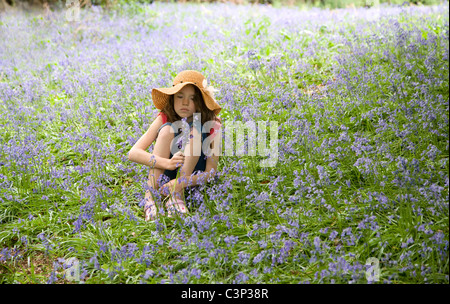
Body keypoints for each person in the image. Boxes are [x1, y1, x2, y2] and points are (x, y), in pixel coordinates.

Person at [128, 70, 222, 221]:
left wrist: (181, 182)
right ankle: (150, 197)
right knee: (166, 130)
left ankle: (177, 197)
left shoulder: (213, 123)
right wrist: (168, 163)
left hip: (192, 178)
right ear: (172, 98)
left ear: (201, 103)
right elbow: (133, 153)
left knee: (196, 131)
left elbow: (211, 171)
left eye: (193, 99)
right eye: (180, 96)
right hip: (164, 175)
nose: (185, 103)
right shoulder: (164, 117)